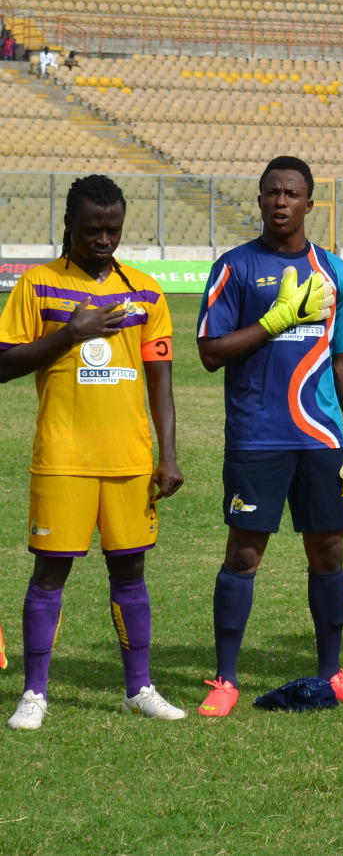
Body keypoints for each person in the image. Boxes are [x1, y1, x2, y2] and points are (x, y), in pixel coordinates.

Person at [195, 156, 343, 718]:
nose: (280, 202)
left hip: (321, 438)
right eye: (271, 192)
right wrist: (272, 322)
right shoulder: (236, 267)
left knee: (329, 551)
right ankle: (225, 679)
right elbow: (208, 352)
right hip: (257, 436)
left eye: (291, 194)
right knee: (245, 552)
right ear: (258, 200)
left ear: (309, 203)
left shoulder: (337, 274)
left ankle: (332, 673)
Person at [1, 176, 186, 730]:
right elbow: (4, 363)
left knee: (131, 574)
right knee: (50, 574)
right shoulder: (37, 286)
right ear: (69, 225)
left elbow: (162, 380)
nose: (104, 239)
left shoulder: (147, 292)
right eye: (92, 230)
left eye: (112, 229)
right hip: (63, 455)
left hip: (129, 459)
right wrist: (71, 333)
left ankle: (139, 688)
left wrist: (168, 453)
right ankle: (34, 693)